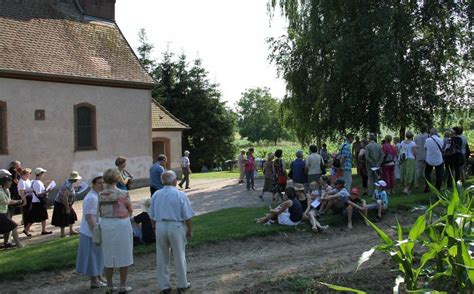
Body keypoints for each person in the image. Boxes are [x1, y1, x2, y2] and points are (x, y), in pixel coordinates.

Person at [149, 170, 194, 293]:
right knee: (179, 255)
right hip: (176, 226)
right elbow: (188, 215)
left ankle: (164, 285)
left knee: (162, 256)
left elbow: (151, 215)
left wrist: (154, 228)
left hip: (160, 225)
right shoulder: (180, 195)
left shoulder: (156, 195)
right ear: (174, 181)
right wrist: (190, 230)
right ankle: (182, 283)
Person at [99, 168, 133, 293]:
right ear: (118, 179)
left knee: (108, 254)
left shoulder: (100, 194)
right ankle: (123, 285)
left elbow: (99, 210)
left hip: (106, 224)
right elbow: (130, 209)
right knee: (124, 252)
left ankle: (109, 285)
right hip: (121, 223)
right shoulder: (123, 193)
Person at [76, 172, 106, 289]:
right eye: (99, 183)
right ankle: (94, 281)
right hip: (90, 231)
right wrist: (96, 232)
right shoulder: (91, 198)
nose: (102, 185)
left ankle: (99, 276)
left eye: (103, 182)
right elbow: (90, 218)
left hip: (94, 229)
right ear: (93, 184)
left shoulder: (96, 195)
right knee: (92, 256)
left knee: (98, 255)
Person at [52, 171, 81, 237]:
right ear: (74, 179)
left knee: (72, 215)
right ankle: (62, 234)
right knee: (63, 218)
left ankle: (71, 230)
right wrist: (67, 208)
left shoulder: (68, 182)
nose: (77, 180)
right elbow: (65, 197)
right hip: (62, 203)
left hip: (67, 203)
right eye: (77, 178)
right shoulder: (68, 185)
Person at [0, 169, 24, 249]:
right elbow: (7, 202)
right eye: (9, 181)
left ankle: (6, 244)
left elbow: (9, 200)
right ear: (4, 182)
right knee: (13, 226)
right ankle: (19, 245)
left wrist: (19, 201)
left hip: (4, 212)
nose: (11, 182)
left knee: (7, 229)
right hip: (0, 213)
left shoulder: (6, 190)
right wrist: (18, 201)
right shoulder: (0, 192)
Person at [30, 167, 53, 235]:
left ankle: (43, 230)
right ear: (40, 174)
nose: (43, 175)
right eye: (43, 173)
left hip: (36, 201)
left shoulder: (37, 182)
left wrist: (46, 186)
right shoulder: (37, 183)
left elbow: (40, 191)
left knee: (35, 217)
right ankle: (43, 230)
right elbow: (39, 194)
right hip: (38, 202)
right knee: (42, 216)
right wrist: (47, 191)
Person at [18, 168, 33, 236]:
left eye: (29, 174)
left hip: (30, 198)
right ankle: (26, 229)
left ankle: (28, 228)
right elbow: (22, 192)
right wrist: (24, 201)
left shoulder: (27, 180)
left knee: (29, 213)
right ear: (22, 175)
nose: (28, 176)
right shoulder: (21, 182)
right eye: (27, 174)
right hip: (25, 198)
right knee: (26, 214)